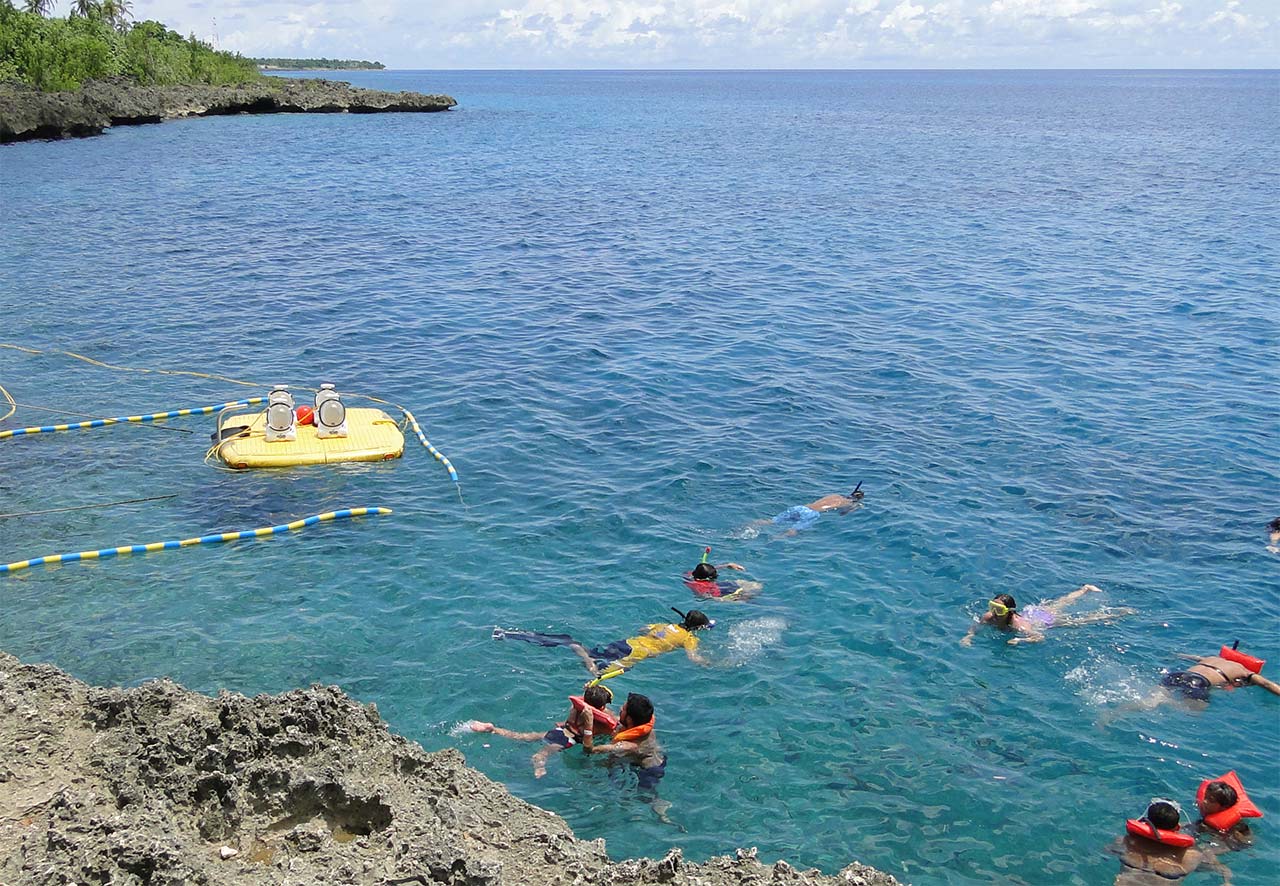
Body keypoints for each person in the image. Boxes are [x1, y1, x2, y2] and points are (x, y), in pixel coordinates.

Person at [493, 608, 714, 680]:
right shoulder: (689, 638)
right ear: (698, 628)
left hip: (626, 642)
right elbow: (693, 658)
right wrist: (710, 665)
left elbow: (643, 629)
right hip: (636, 653)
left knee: (591, 651)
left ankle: (511, 634)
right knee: (596, 674)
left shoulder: (663, 624)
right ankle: (580, 653)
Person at [470, 684, 615, 778]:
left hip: (560, 730)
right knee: (546, 751)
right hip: (569, 739)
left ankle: (492, 729)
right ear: (602, 707)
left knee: (523, 736)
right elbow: (608, 731)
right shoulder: (598, 721)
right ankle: (539, 762)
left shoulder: (575, 708)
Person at [581, 692, 670, 820]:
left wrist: (588, 725)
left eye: (622, 710)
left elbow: (589, 750)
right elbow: (613, 718)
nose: (619, 710)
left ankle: (661, 809)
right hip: (657, 757)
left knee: (647, 797)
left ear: (629, 719)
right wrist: (593, 696)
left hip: (649, 771)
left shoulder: (629, 745)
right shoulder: (642, 723)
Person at [960, 584, 1136, 646]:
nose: (994, 613)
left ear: (1010, 612)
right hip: (1032, 613)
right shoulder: (989, 616)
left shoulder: (1019, 625)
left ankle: (1116, 613)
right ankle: (1085, 589)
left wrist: (1021, 640)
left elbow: (1039, 637)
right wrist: (968, 637)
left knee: (1078, 621)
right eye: (992, 607)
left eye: (999, 610)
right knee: (1060, 602)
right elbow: (975, 627)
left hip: (1041, 620)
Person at [1108, 798, 1231, 884]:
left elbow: (1106, 852)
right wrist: (1227, 882)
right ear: (1177, 827)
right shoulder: (1191, 854)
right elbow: (1223, 870)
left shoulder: (1126, 842)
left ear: (1146, 822)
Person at [1126, 648, 1280, 711]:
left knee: (1151, 699)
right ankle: (1167, 702)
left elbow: (1190, 657)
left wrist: (1174, 655)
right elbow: (1267, 684)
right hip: (1198, 682)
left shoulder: (1211, 658)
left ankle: (1116, 713)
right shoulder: (1244, 671)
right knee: (1194, 711)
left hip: (1177, 674)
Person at [1195, 773, 1261, 851]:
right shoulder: (1206, 820)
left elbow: (1246, 842)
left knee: (1205, 851)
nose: (1205, 801)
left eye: (1211, 800)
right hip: (1215, 837)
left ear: (1224, 807)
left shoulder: (1237, 826)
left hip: (1230, 844)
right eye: (1205, 797)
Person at [762, 482, 865, 533]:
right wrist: (857, 507)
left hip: (801, 508)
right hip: (811, 513)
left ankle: (753, 524)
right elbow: (842, 514)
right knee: (794, 531)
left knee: (771, 521)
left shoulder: (835, 495)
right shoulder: (850, 503)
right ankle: (776, 539)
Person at [684, 547, 761, 601]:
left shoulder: (690, 574)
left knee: (755, 585)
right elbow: (709, 597)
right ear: (707, 579)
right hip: (719, 593)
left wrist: (727, 565)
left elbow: (707, 569)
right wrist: (729, 599)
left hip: (719, 586)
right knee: (751, 591)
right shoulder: (701, 588)